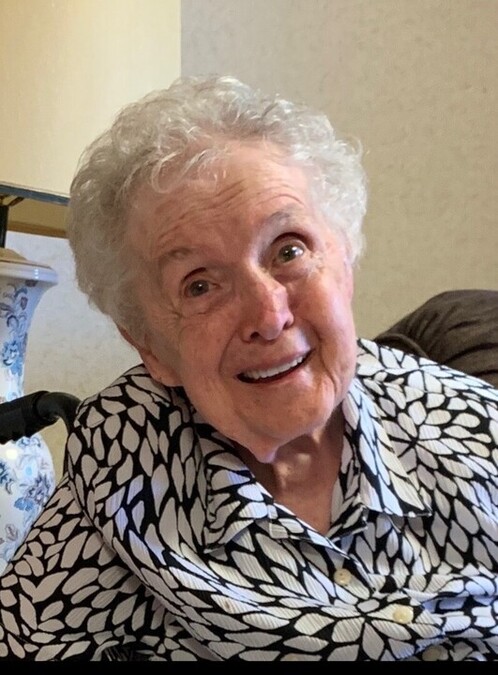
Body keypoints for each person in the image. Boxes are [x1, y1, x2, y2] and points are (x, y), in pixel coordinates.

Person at [0, 74, 497, 662]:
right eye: (200, 285)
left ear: (345, 261)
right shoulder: (128, 455)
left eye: (289, 250)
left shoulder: (474, 430)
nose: (268, 314)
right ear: (150, 346)